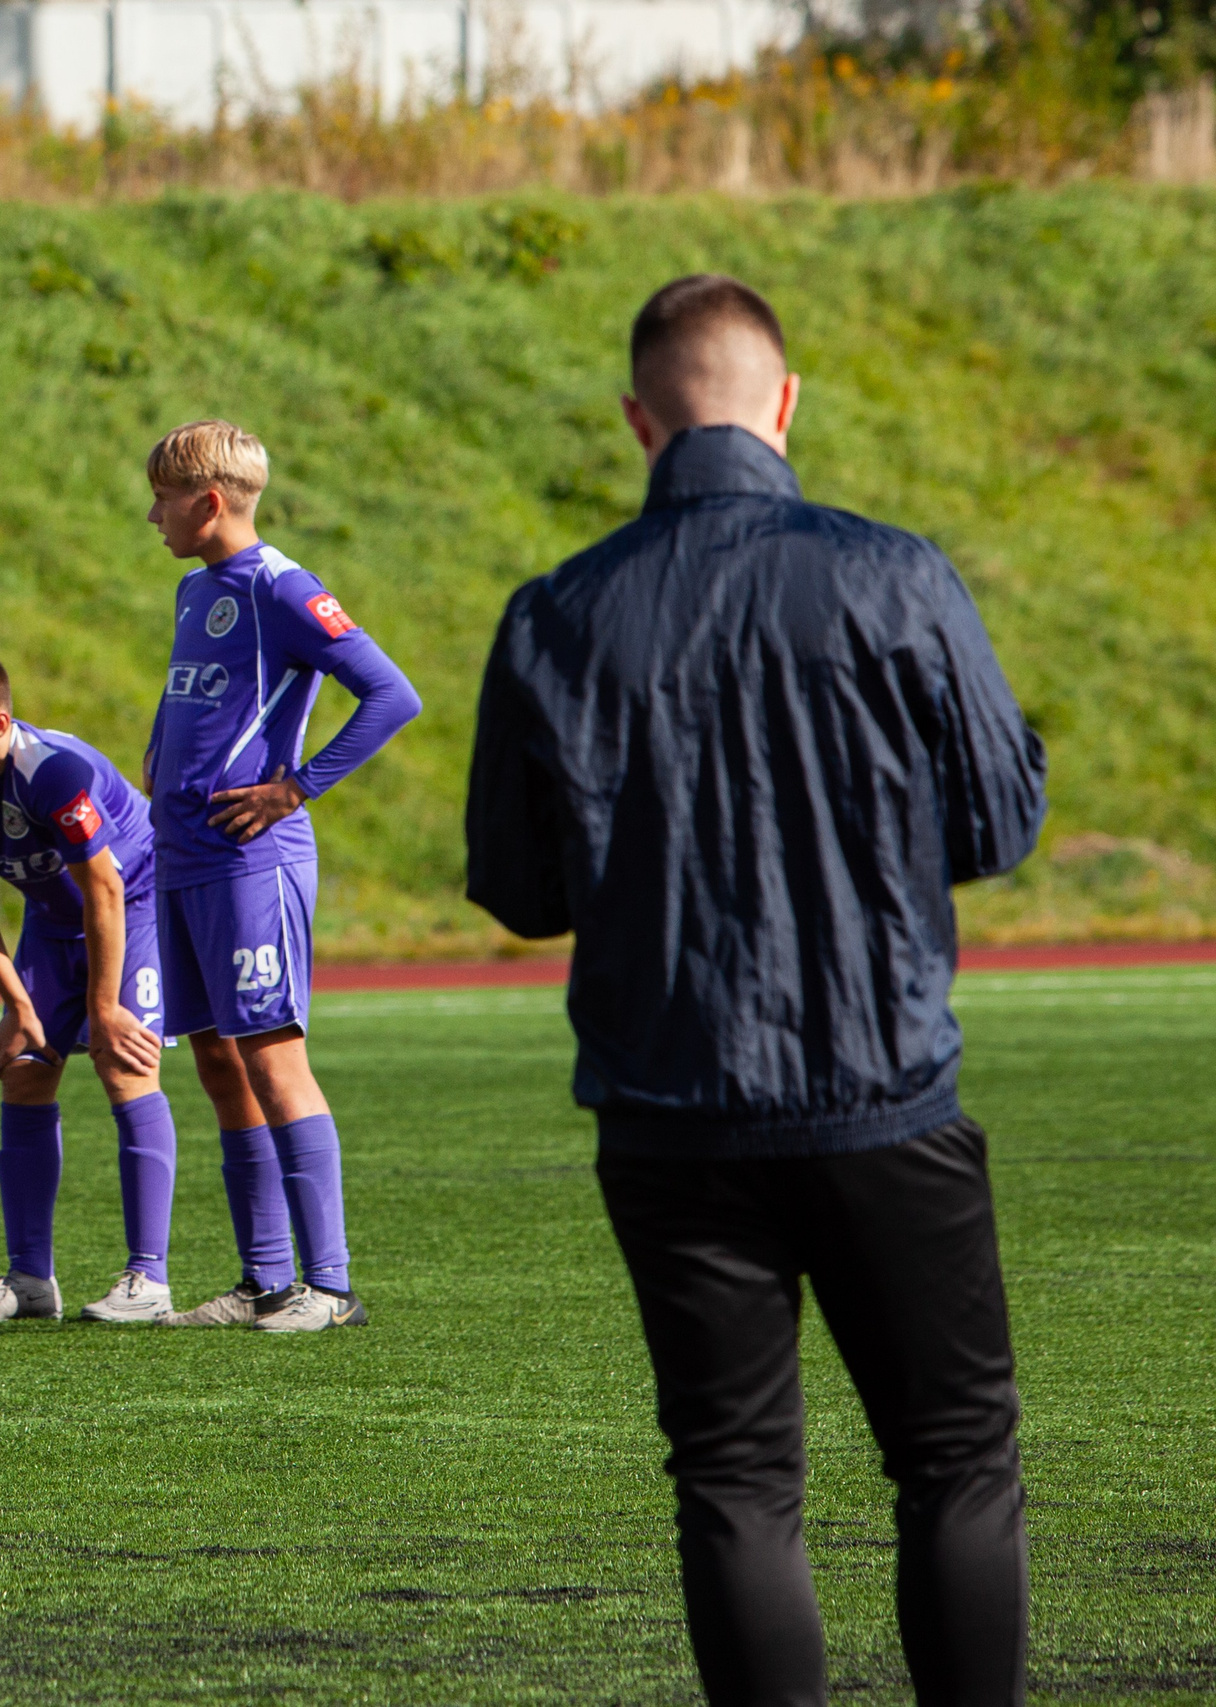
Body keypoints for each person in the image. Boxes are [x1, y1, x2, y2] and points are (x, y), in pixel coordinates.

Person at [465, 275, 1047, 1706]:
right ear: (784, 404)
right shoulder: (895, 574)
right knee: (955, 1458)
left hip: (673, 1114)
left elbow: (522, 887)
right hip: (882, 1088)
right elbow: (997, 821)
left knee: (734, 1479)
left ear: (637, 422)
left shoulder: (556, 615)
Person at [141, 420, 422, 1332]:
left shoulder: (281, 587)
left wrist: (295, 789)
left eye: (163, 498)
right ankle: (265, 1280)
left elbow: (391, 692)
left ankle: (330, 1287)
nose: (152, 515)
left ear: (209, 502)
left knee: (273, 1059)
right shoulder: (194, 588)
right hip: (184, 854)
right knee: (220, 1063)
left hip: (249, 858)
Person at [0, 646, 180, 1324]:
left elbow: (107, 888)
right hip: (53, 917)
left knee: (125, 1063)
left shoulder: (53, 771)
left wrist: (105, 1007)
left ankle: (149, 1279)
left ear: (0, 723)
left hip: (133, 903)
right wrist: (17, 1005)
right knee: (25, 1069)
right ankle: (31, 1280)